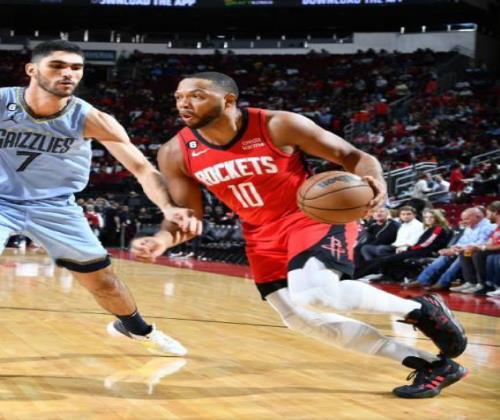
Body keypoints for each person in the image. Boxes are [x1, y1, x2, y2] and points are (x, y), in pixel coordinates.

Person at [132, 72, 467, 398]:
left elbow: (354, 156)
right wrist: (161, 240)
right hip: (260, 233)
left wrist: (375, 180)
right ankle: (433, 366)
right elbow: (188, 217)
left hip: (310, 216)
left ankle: (421, 309)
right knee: (300, 318)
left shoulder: (278, 124)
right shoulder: (175, 152)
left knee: (315, 293)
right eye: (179, 97)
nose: (184, 103)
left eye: (196, 96)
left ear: (229, 100)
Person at [0, 40, 201, 355]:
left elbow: (141, 168)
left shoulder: (91, 118)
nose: (68, 73)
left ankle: (136, 329)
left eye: (76, 68)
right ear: (32, 70)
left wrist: (168, 207)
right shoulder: (3, 102)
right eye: (57, 66)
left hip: (55, 206)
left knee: (103, 282)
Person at [406, 207, 495, 291]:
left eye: (467, 219)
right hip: (462, 250)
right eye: (463, 219)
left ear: (478, 217)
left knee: (461, 257)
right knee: (444, 256)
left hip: (475, 251)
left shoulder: (488, 227)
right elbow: (462, 241)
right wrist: (452, 248)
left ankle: (442, 283)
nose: (464, 221)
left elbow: (480, 243)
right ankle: (422, 280)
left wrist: (456, 250)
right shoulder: (470, 226)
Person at [356, 209, 451, 281]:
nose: (428, 219)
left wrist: (408, 248)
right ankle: (387, 275)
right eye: (426, 217)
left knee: (387, 258)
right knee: (385, 257)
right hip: (418, 250)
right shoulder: (431, 228)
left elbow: (426, 244)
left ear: (437, 218)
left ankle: (360, 275)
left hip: (425, 252)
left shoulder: (438, 228)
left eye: (431, 217)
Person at [451, 201, 500, 295]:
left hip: (496, 251)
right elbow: (490, 241)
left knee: (479, 255)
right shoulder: (497, 226)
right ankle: (472, 282)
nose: (486, 216)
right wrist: (477, 246)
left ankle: (485, 284)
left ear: (495, 212)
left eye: (488, 213)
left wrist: (482, 248)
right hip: (493, 249)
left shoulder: (490, 226)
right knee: (467, 252)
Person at [359, 206, 424, 266]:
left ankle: (376, 267)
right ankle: (373, 267)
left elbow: (414, 242)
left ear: (414, 215)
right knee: (365, 248)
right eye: (403, 214)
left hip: (406, 248)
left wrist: (402, 247)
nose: (406, 216)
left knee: (380, 250)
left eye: (408, 214)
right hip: (395, 246)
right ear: (400, 216)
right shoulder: (403, 225)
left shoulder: (418, 226)